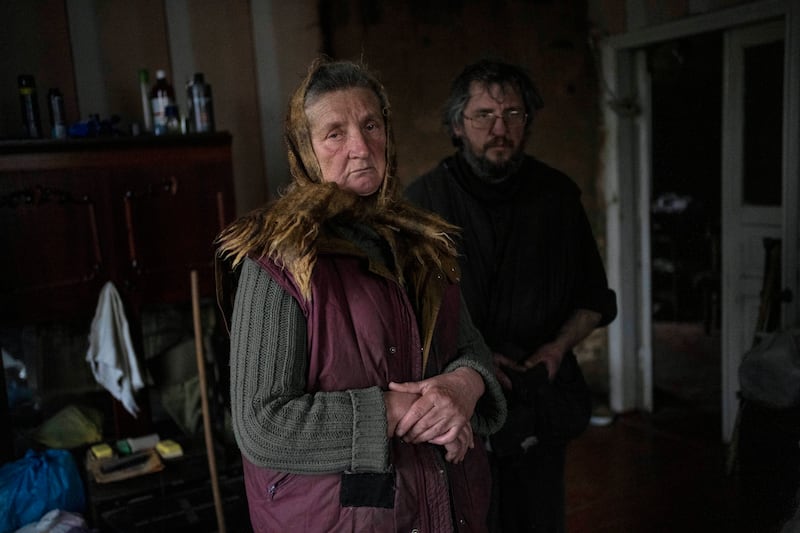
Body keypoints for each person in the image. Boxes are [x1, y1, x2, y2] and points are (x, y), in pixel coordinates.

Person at [215, 58, 507, 532]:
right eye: (334, 132)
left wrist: (462, 388)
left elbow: (470, 348)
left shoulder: (421, 242)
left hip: (444, 503)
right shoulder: (279, 258)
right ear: (304, 149)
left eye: (370, 124)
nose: (360, 147)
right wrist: (397, 410)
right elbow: (262, 425)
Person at [405, 59, 617, 532]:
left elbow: (594, 298)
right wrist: (473, 364)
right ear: (458, 125)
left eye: (513, 115)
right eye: (484, 115)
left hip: (543, 393)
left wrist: (557, 350)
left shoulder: (558, 196)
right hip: (467, 405)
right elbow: (406, 317)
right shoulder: (423, 204)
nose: (499, 128)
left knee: (540, 518)